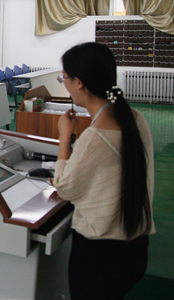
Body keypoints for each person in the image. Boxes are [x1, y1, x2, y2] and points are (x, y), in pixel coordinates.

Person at [53, 42, 154, 300]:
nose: (64, 84)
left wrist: (65, 136)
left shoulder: (94, 138)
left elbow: (64, 187)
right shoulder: (136, 119)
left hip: (100, 257)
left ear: (79, 83)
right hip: (135, 246)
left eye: (64, 78)